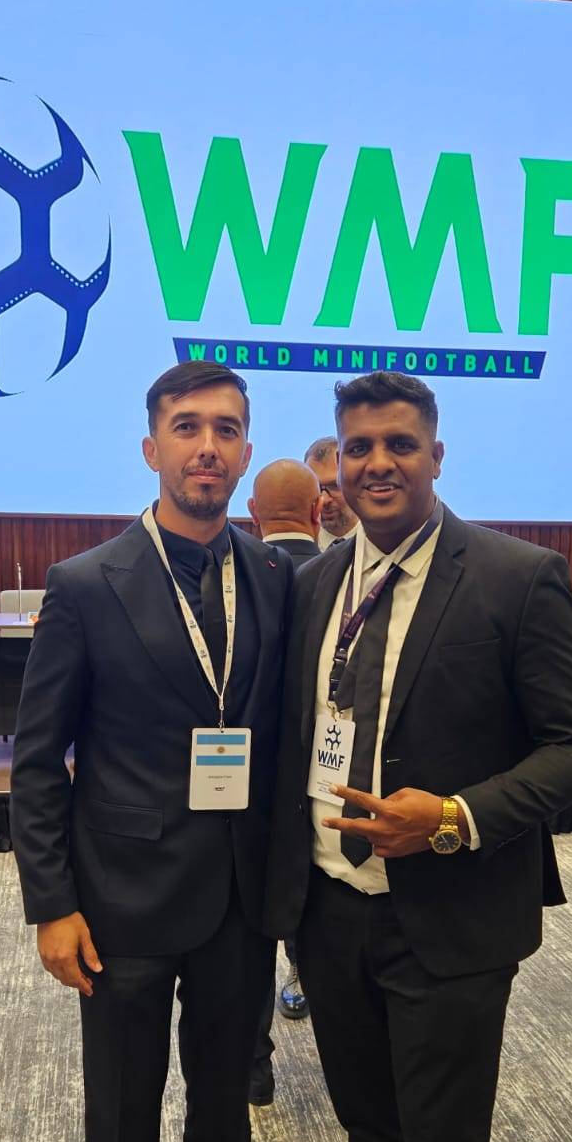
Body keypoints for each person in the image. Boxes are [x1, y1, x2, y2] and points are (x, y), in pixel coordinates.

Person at [266, 371, 572, 1142]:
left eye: (400, 444)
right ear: (334, 465)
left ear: (436, 455)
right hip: (330, 911)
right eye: (359, 446)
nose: (378, 463)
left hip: (452, 924)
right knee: (369, 1128)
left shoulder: (516, 577)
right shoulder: (314, 584)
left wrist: (456, 817)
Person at [10, 361, 293, 1142]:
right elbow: (39, 760)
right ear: (151, 448)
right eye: (187, 427)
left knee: (223, 1113)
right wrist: (52, 904)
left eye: (226, 428)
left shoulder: (275, 577)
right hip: (119, 903)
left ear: (245, 448)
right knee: (122, 1121)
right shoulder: (87, 583)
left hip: (237, 902)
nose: (207, 446)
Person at [244, 459, 322, 1103]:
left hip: (239, 792)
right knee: (313, 914)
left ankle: (255, 1067)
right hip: (320, 788)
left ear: (251, 514)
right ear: (320, 511)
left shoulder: (233, 577)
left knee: (244, 938)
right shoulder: (345, 577)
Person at [304, 435, 359, 550]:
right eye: (316, 487)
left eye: (335, 486)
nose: (324, 499)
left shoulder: (386, 539)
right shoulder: (298, 549)